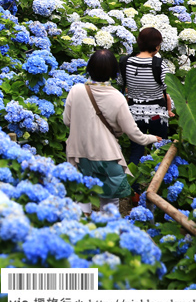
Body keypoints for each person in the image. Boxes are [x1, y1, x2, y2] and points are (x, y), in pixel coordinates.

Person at [64, 49, 162, 216]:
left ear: (89, 68)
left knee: (81, 197)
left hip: (80, 154)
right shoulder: (117, 97)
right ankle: (106, 235)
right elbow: (133, 133)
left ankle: (79, 232)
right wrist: (153, 138)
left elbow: (67, 121)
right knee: (109, 204)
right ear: (113, 72)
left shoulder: (76, 90)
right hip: (107, 156)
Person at [118, 27, 174, 166]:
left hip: (134, 115)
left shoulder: (125, 63)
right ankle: (158, 181)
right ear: (157, 47)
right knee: (160, 148)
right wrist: (170, 108)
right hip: (157, 116)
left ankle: (134, 184)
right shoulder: (160, 65)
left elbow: (120, 83)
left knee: (136, 150)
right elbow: (169, 89)